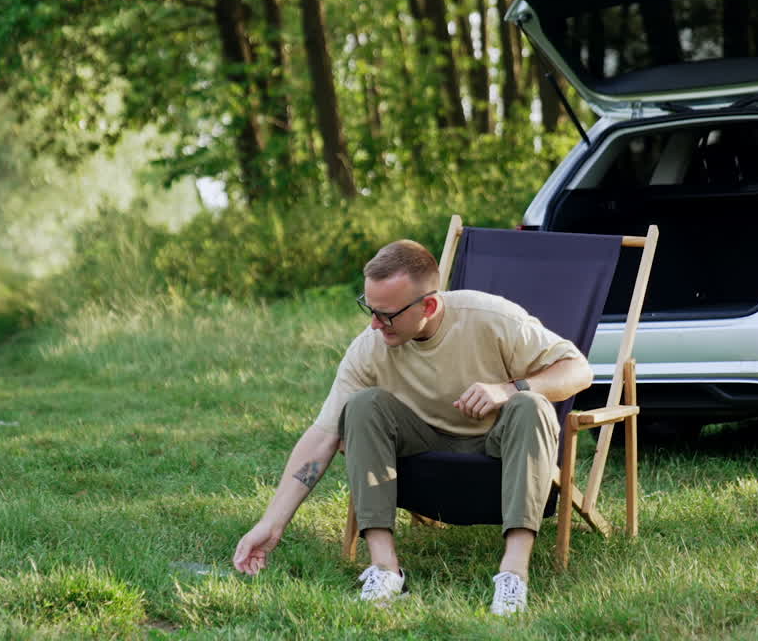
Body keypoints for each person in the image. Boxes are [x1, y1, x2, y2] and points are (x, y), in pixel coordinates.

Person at [232, 239, 593, 615]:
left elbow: (579, 370)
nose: (374, 324)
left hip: (498, 443)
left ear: (430, 305)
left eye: (386, 314)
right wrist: (271, 525)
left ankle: (514, 573)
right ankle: (385, 570)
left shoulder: (493, 318)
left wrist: (508, 389)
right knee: (361, 406)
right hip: (422, 444)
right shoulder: (370, 346)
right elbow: (323, 436)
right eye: (369, 309)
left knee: (531, 405)